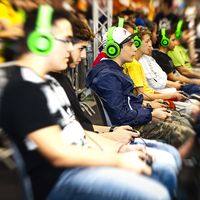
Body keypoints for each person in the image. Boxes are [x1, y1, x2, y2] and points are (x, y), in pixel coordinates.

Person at [0, 5, 173, 200]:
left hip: (78, 166)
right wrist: (117, 160)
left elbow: (78, 132)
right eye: (66, 40)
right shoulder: (23, 89)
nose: (70, 48)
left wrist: (119, 148)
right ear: (41, 41)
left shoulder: (48, 82)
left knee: (162, 165)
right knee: (156, 193)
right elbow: (58, 153)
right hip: (62, 179)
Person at [86, 25, 195, 159]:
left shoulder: (113, 71)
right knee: (186, 133)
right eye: (130, 44)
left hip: (133, 118)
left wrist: (148, 107)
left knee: (181, 120)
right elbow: (121, 116)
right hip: (128, 127)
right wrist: (150, 114)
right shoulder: (108, 76)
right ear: (113, 49)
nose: (135, 48)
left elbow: (127, 103)